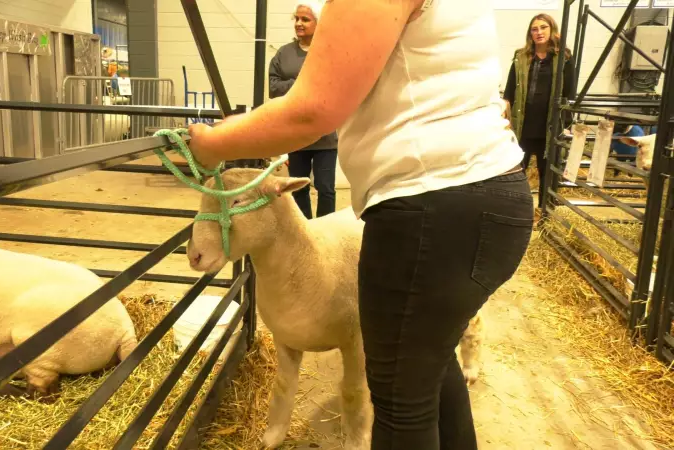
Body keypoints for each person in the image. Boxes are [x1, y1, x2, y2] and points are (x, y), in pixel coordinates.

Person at [187, 0, 534, 448]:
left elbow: (313, 109)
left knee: (399, 400)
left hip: (434, 201)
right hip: (475, 192)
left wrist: (214, 144)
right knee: (429, 372)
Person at [268, 0, 338, 218]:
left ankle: (326, 230)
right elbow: (273, 87)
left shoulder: (329, 51)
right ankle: (304, 229)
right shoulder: (284, 54)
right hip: (296, 135)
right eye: (296, 19)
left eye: (305, 19)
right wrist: (299, 84)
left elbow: (335, 86)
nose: (299, 23)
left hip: (325, 136)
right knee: (298, 188)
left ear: (319, 23)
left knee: (326, 189)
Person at [503, 13, 574, 211]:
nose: (539, 32)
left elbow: (570, 92)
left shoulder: (563, 58)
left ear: (552, 30)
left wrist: (567, 125)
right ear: (530, 33)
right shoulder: (521, 58)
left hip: (549, 127)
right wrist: (506, 121)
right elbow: (509, 92)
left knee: (547, 173)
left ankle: (545, 213)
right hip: (523, 126)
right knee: (517, 172)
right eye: (534, 29)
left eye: (543, 27)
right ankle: (517, 211)